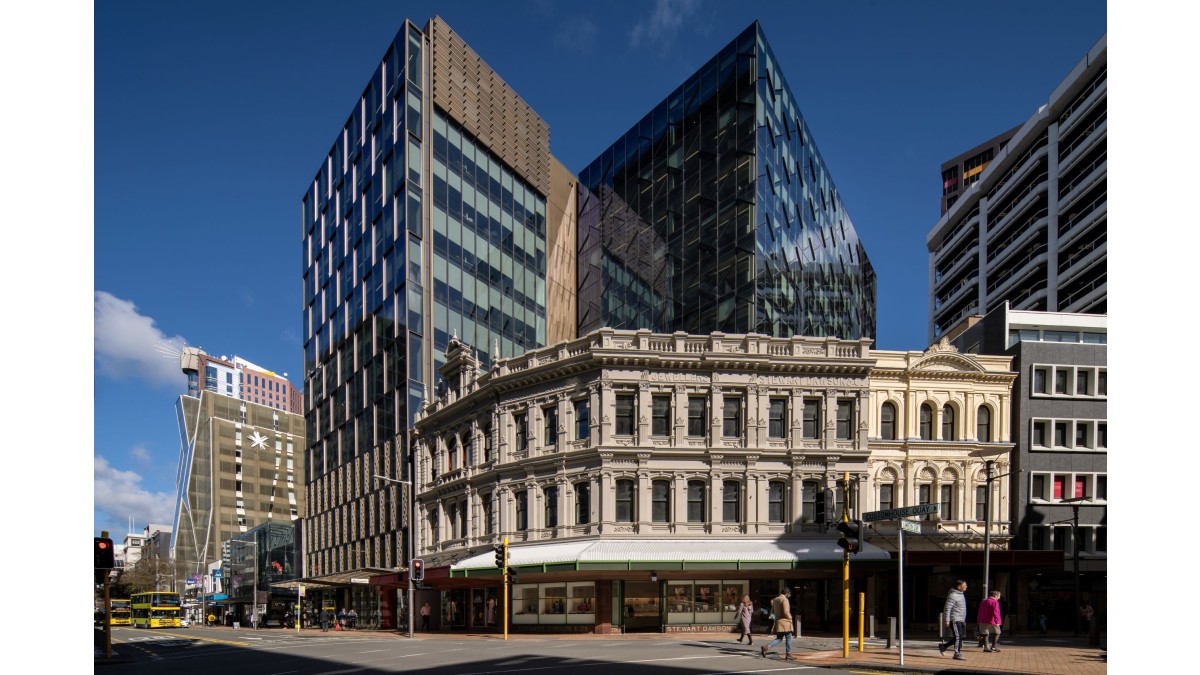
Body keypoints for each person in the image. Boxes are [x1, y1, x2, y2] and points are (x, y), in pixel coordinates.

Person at [760, 588, 794, 660]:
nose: (790, 596)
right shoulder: (784, 600)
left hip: (778, 620)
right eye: (789, 594)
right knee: (789, 637)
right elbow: (786, 611)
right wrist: (790, 618)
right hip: (785, 621)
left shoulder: (775, 599)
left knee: (779, 638)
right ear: (787, 593)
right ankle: (788, 654)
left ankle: (766, 647)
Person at [938, 580, 968, 661]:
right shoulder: (953, 595)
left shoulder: (961, 595)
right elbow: (947, 608)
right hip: (955, 619)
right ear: (959, 587)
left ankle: (944, 646)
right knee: (958, 636)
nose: (966, 586)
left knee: (962, 636)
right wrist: (947, 620)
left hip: (961, 619)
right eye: (964, 585)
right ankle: (957, 653)